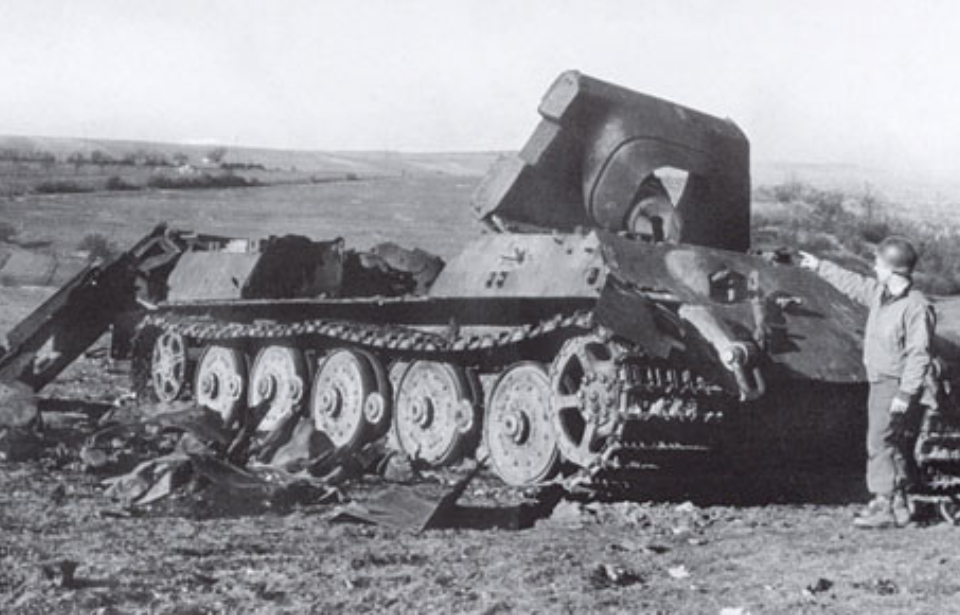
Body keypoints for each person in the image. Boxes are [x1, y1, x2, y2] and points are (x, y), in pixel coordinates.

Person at [799, 236, 936, 529]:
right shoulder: (881, 295)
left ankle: (883, 504)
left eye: (878, 264)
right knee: (893, 443)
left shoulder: (916, 307)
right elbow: (855, 285)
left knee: (880, 442)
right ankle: (900, 505)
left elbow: (919, 354)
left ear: (893, 269)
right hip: (881, 381)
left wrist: (905, 392)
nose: (874, 268)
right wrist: (818, 266)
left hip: (895, 384)